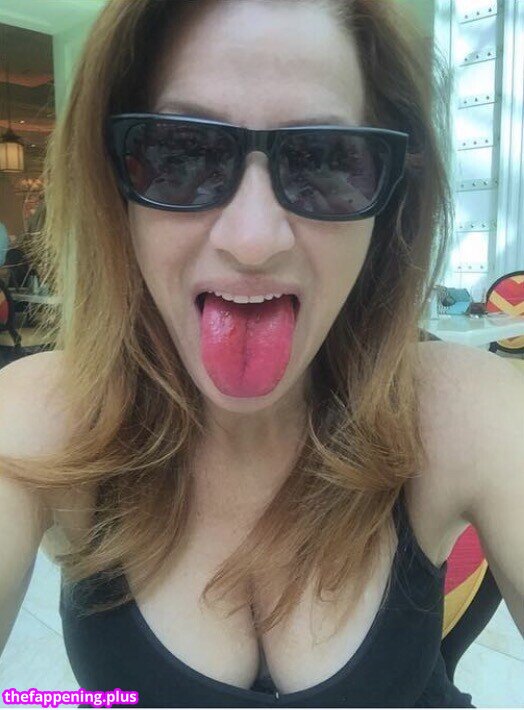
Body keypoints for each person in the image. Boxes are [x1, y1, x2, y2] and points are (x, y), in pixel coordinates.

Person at [0, 1, 523, 708]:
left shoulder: (465, 411)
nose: (253, 240)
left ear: (391, 197)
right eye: (180, 155)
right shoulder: (41, 419)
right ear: (112, 184)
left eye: (326, 160)